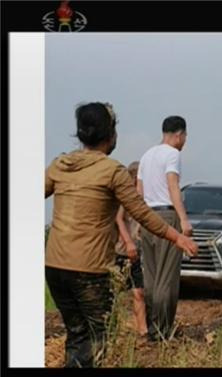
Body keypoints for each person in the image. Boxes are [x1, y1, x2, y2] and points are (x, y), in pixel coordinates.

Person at [45, 102, 197, 368]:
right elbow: (141, 212)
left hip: (54, 267)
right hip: (88, 271)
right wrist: (178, 236)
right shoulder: (111, 171)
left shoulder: (61, 165)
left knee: (77, 336)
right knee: (96, 340)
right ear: (110, 134)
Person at [137, 115, 193, 341]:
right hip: (166, 216)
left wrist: (140, 221)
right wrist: (184, 220)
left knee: (150, 277)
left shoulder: (146, 155)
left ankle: (151, 328)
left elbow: (138, 192)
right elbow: (173, 186)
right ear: (179, 135)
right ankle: (162, 330)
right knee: (166, 277)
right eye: (185, 136)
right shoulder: (173, 154)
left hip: (147, 216)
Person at [114, 161, 147, 337]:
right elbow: (118, 219)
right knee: (113, 292)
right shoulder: (124, 198)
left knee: (139, 291)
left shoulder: (142, 199)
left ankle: (142, 330)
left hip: (137, 252)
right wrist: (128, 242)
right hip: (121, 251)